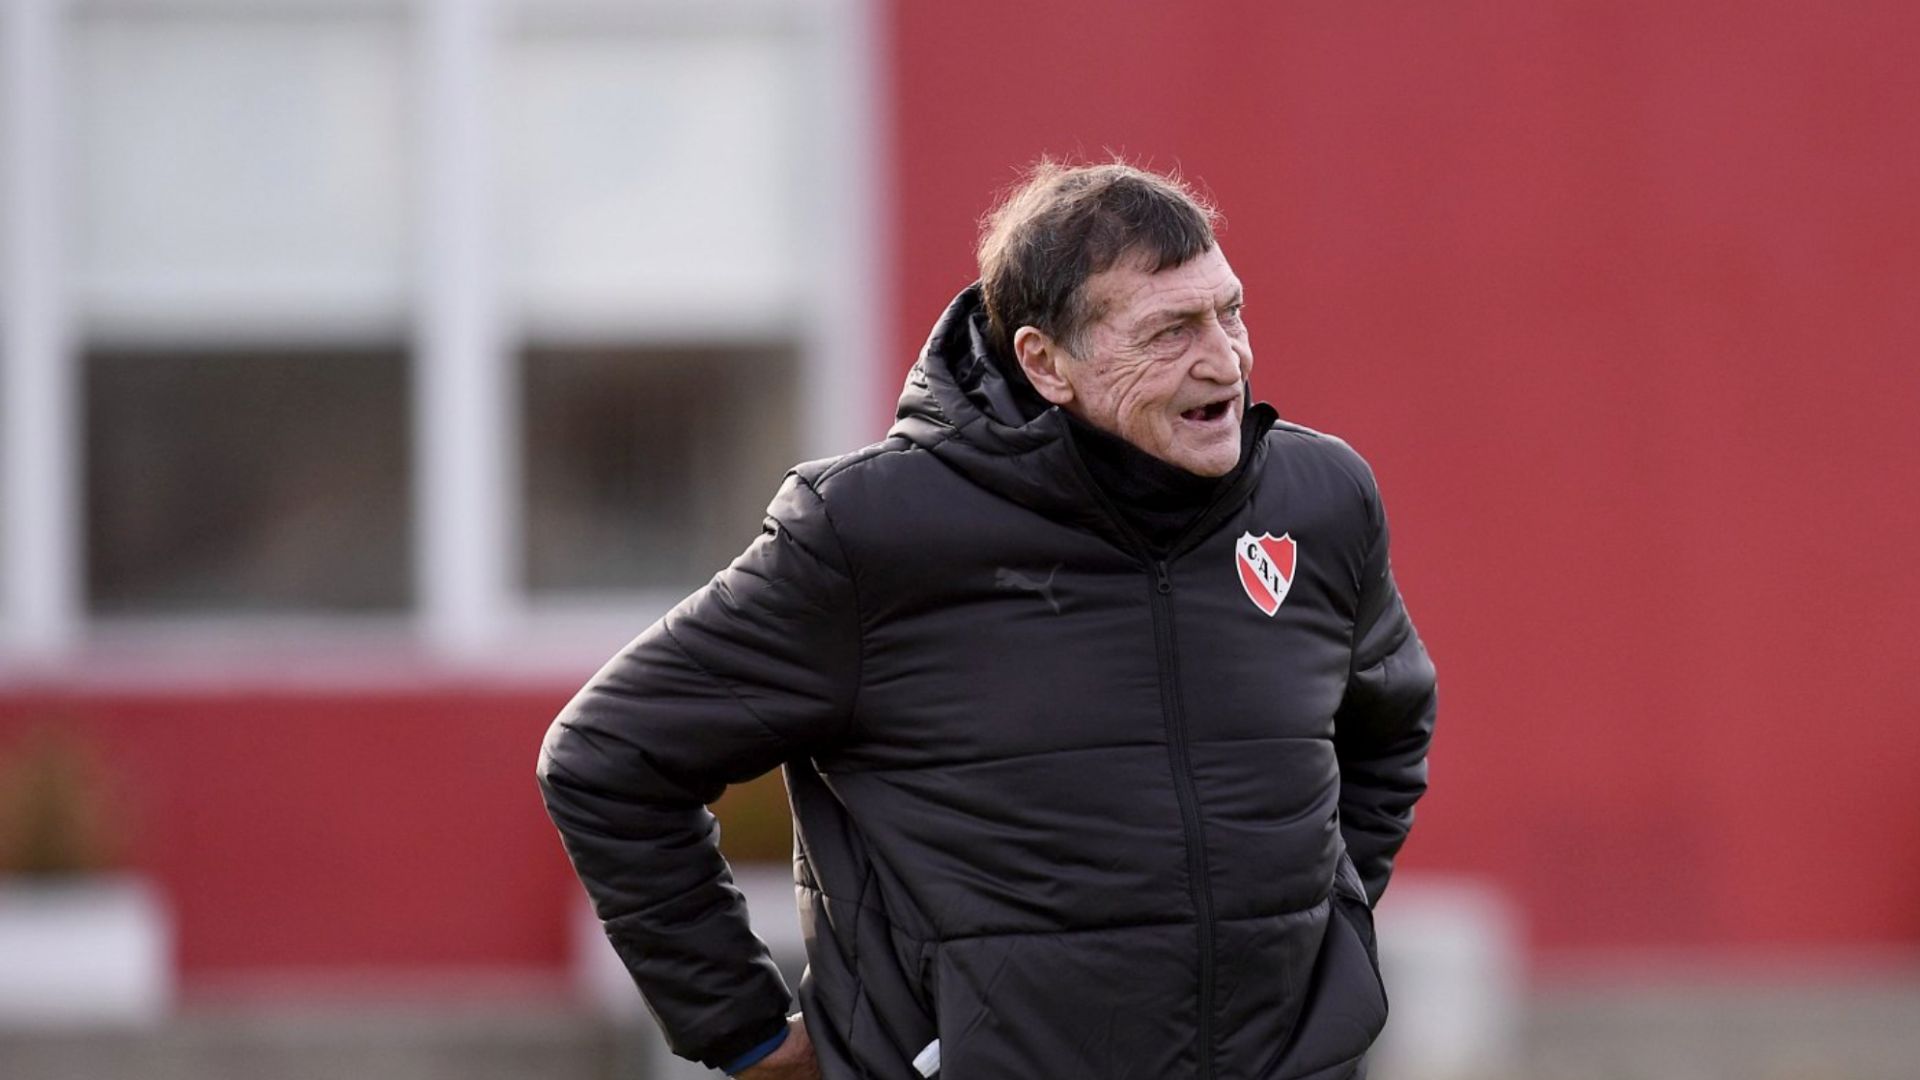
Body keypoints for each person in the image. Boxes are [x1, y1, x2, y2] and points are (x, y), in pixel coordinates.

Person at [538, 161, 1436, 1080]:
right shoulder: (871, 532)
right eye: (1170, 331)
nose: (1226, 359)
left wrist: (1321, 948)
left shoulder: (1321, 500)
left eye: (1229, 311)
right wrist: (746, 1032)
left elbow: (1390, 730)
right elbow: (608, 757)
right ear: (1046, 362)